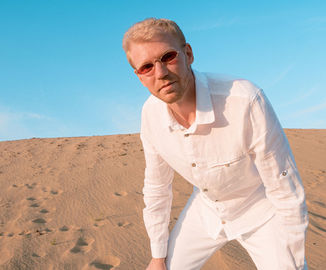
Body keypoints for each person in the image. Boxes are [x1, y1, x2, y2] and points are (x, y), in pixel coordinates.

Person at [122, 18, 308, 270]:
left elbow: (285, 187)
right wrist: (157, 257)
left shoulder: (244, 100)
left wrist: (294, 261)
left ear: (188, 54)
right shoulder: (150, 115)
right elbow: (157, 187)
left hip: (262, 211)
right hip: (206, 210)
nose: (161, 72)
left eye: (168, 56)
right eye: (146, 67)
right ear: (139, 76)